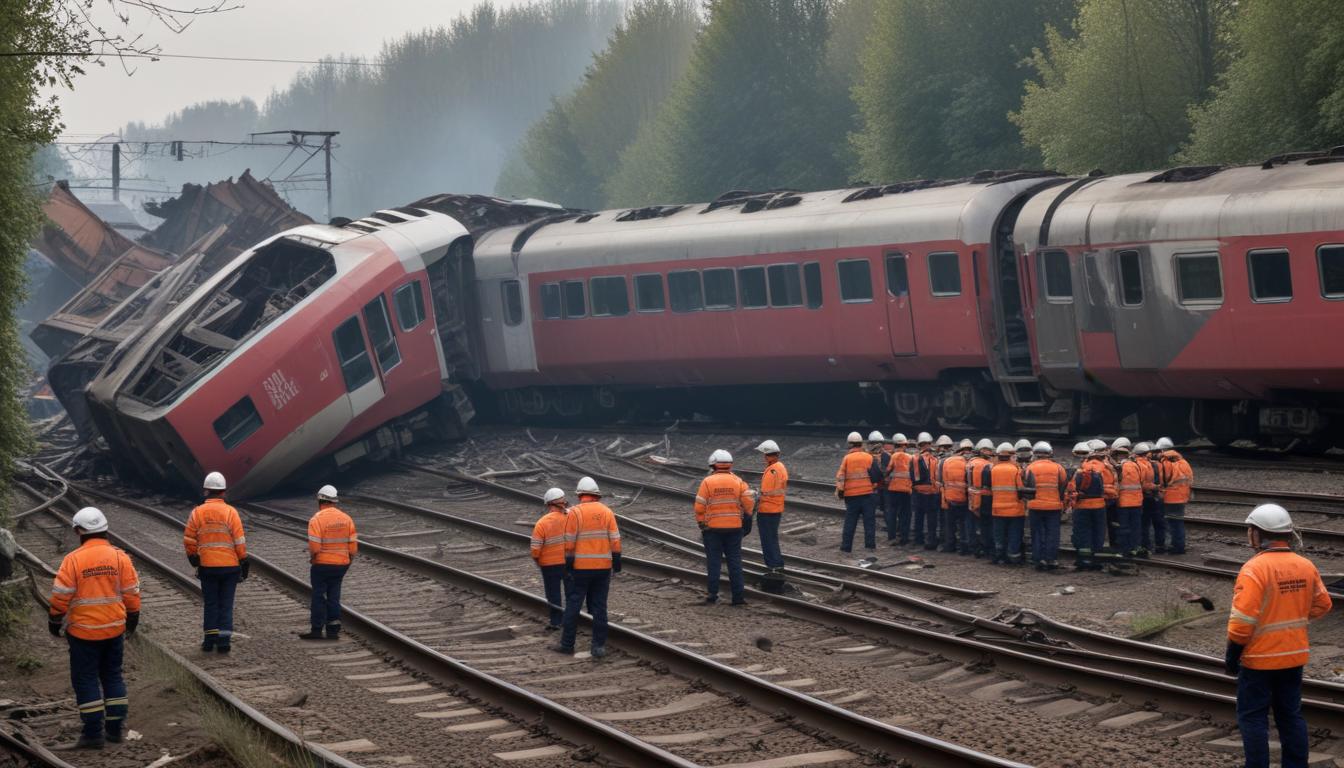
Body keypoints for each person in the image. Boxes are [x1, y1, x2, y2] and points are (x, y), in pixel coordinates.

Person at [1226, 504, 1332, 768]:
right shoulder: (1305, 565)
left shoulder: (1254, 569)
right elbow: (1323, 604)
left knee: (1253, 718)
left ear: (1258, 534)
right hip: (1294, 655)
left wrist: (1232, 656)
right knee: (1290, 715)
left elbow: (1241, 624)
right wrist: (1293, 618)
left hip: (1259, 659)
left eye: (1250, 530)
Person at [49, 507, 140, 749]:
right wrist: (132, 618)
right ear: (105, 529)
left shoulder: (73, 560)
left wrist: (54, 620)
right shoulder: (120, 557)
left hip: (83, 632)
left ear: (79, 531)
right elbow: (131, 593)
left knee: (86, 679)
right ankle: (115, 730)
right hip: (114, 629)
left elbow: (61, 595)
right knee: (112, 675)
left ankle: (92, 734)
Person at [555, 477, 622, 656]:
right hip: (603, 568)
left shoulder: (574, 513)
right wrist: (617, 561)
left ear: (580, 495)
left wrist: (568, 565)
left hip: (580, 568)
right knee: (600, 607)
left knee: (573, 605)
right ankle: (598, 647)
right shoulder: (607, 512)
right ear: (596, 495)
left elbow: (569, 542)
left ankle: (567, 645)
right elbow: (615, 540)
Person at [183, 471, 248, 653]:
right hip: (230, 567)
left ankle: (209, 641)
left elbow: (189, 539)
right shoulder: (231, 512)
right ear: (223, 492)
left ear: (206, 491)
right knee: (226, 604)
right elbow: (239, 540)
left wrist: (193, 557)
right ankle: (224, 642)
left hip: (208, 567)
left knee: (211, 603)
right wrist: (243, 560)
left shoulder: (197, 513)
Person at [300, 485, 357, 640]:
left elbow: (315, 547)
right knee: (334, 596)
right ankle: (333, 630)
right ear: (334, 501)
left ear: (320, 500)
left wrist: (314, 559)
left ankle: (317, 630)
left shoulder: (316, 519)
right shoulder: (347, 519)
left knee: (319, 596)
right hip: (341, 565)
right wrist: (348, 561)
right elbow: (353, 547)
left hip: (322, 565)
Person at [530, 488, 570, 631]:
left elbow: (535, 549)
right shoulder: (571, 518)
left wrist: (537, 560)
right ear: (563, 501)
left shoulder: (542, 523)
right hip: (570, 562)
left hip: (549, 565)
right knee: (571, 592)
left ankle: (556, 621)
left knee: (553, 594)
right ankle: (571, 620)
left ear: (548, 504)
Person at [1022, 442, 1066, 571]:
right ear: (1050, 453)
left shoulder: (1030, 468)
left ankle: (1038, 559)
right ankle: (1051, 559)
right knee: (1052, 533)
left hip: (1035, 506)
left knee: (1037, 533)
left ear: (1035, 453)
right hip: (1053, 506)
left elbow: (1025, 485)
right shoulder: (1058, 468)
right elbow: (1063, 485)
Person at [835, 433, 879, 553]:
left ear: (850, 444)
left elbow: (840, 476)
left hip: (852, 497)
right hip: (868, 495)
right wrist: (873, 487)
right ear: (861, 444)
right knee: (869, 522)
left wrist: (840, 491)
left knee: (850, 522)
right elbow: (876, 475)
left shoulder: (847, 458)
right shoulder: (869, 457)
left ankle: (846, 547)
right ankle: (870, 546)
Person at [982, 443, 1025, 564]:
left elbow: (988, 489)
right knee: (1014, 534)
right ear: (1011, 457)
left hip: (997, 509)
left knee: (999, 534)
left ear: (998, 456)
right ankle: (1013, 557)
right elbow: (1021, 489)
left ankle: (998, 556)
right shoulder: (1017, 470)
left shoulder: (992, 470)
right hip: (1015, 510)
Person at [1069, 443, 1108, 571]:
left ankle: (1084, 560)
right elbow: (1111, 487)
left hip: (1082, 506)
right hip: (1099, 505)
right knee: (1098, 532)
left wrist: (1070, 503)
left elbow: (1071, 488)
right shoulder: (1105, 467)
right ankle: (1096, 559)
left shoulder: (1079, 469)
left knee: (1083, 533)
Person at [754, 440, 788, 573]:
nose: (763, 457)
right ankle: (777, 564)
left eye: (764, 454)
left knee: (768, 539)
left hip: (767, 509)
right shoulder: (781, 467)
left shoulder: (772, 470)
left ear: (768, 455)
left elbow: (765, 492)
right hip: (776, 508)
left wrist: (755, 495)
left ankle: (773, 565)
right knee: (772, 538)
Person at [939, 440, 973, 554]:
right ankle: (964, 548)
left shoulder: (947, 461)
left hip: (949, 498)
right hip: (964, 498)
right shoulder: (969, 462)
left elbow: (941, 480)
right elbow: (970, 482)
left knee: (949, 524)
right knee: (963, 524)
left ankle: (949, 545)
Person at [1160, 442, 1193, 555]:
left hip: (1171, 498)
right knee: (1179, 523)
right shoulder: (1184, 463)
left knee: (1172, 524)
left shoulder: (1166, 464)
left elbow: (1163, 480)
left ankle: (1175, 547)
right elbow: (1190, 480)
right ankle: (1180, 546)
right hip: (1183, 497)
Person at [1133, 442, 1164, 557]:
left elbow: (1141, 483)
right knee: (1159, 522)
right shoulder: (1157, 464)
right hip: (1156, 497)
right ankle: (1160, 546)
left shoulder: (1137, 464)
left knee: (1144, 524)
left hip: (1144, 497)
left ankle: (1145, 546)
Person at [1113, 442, 1143, 558]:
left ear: (1118, 456)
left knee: (1123, 527)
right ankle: (1134, 548)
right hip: (1137, 502)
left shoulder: (1118, 468)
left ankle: (1123, 550)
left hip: (1124, 502)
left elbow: (1115, 484)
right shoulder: (1136, 465)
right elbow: (1142, 481)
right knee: (1136, 527)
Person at [882, 434, 913, 545]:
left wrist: (886, 478)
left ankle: (892, 537)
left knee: (892, 513)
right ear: (904, 445)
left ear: (895, 445)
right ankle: (904, 537)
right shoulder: (910, 457)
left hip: (894, 489)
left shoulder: (894, 456)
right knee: (905, 514)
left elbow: (888, 470)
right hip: (906, 490)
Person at [967, 439, 995, 558]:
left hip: (972, 497)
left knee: (973, 524)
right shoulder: (988, 465)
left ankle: (974, 548)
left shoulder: (970, 463)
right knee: (986, 525)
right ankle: (986, 548)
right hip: (985, 498)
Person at [911, 432, 939, 548]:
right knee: (932, 518)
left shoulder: (914, 458)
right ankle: (931, 541)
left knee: (919, 516)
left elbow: (913, 477)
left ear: (919, 445)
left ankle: (918, 539)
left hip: (919, 492)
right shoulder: (935, 459)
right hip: (932, 492)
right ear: (929, 444)